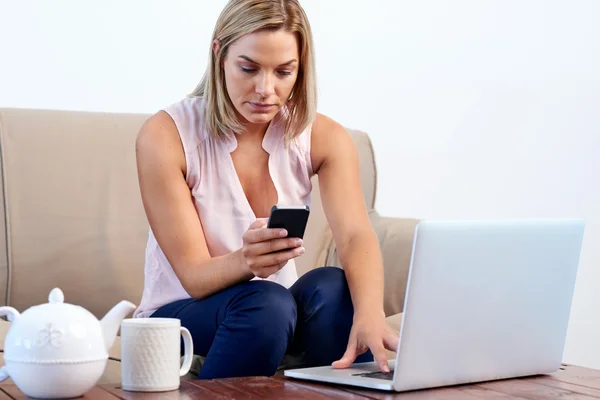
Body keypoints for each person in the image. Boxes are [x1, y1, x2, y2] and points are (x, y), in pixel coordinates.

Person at [133, 0, 398, 380]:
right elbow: (192, 275)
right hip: (179, 318)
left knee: (334, 288)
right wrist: (246, 261)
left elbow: (356, 235)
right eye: (248, 68)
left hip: (273, 317)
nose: (265, 90)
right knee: (267, 302)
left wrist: (370, 314)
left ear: (301, 67)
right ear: (219, 54)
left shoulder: (323, 137)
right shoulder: (166, 134)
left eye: (284, 72)